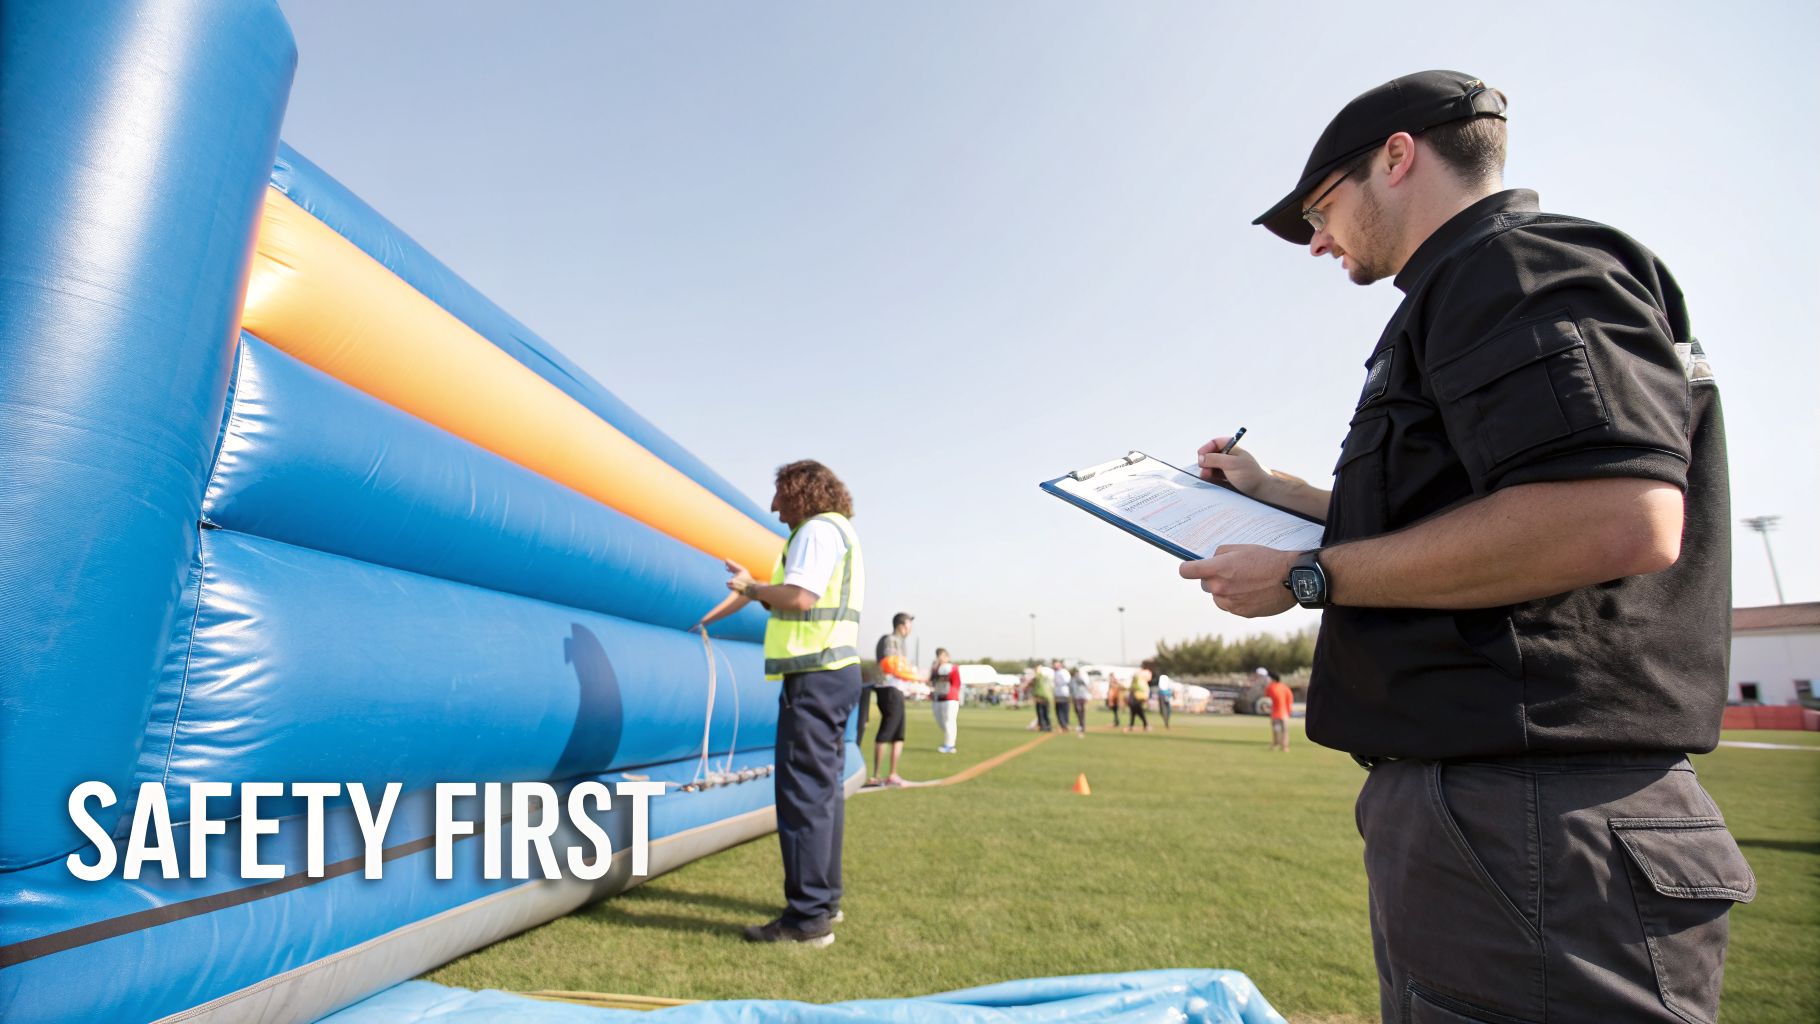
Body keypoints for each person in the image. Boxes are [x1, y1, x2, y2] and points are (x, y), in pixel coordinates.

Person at [1180, 71, 1749, 1021]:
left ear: (1398, 158)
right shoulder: (1471, 287)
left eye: (1321, 208)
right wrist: (1279, 495)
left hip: (1534, 813)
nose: (1317, 240)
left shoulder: (1514, 266)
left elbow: (1614, 515)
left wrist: (1309, 575)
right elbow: (1476, 513)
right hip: (1500, 811)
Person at [697, 459, 865, 947]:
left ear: (800, 493)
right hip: (835, 673)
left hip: (814, 677)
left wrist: (751, 589)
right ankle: (823, 903)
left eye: (779, 496)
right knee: (822, 792)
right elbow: (793, 596)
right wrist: (758, 588)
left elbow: (800, 597)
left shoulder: (815, 532)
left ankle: (807, 918)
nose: (773, 508)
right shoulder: (838, 531)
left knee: (803, 796)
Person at [871, 612, 919, 786]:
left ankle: (892, 774)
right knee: (886, 731)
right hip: (888, 688)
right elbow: (891, 666)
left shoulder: (902, 643)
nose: (910, 628)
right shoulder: (890, 640)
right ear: (901, 624)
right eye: (908, 623)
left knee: (898, 734)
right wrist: (914, 676)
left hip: (898, 690)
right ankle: (876, 776)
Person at [929, 648, 962, 753]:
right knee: (941, 722)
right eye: (938, 655)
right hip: (938, 699)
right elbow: (931, 681)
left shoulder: (952, 668)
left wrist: (953, 693)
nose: (940, 658)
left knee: (949, 722)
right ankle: (950, 739)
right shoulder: (935, 668)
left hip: (950, 699)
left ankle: (950, 745)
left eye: (942, 655)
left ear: (947, 657)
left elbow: (957, 683)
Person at [1263, 669, 1294, 752]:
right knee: (1285, 731)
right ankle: (1285, 747)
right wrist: (1289, 711)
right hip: (1284, 714)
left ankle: (1275, 745)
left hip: (1275, 714)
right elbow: (1290, 699)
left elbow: (1266, 699)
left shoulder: (1270, 687)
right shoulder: (1285, 687)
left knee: (1276, 730)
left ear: (1272, 678)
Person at [1123, 665, 1150, 733]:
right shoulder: (1135, 683)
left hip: (1137, 700)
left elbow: (1141, 690)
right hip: (1134, 701)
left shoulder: (1139, 683)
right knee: (1134, 714)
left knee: (1139, 713)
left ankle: (1145, 725)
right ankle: (1135, 726)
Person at [1030, 662, 1054, 732]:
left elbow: (1033, 682)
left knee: (1041, 712)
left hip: (1041, 696)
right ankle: (1047, 726)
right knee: (1045, 712)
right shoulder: (1047, 677)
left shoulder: (1039, 676)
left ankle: (1043, 726)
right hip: (1047, 696)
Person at [1149, 661, 1174, 729]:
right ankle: (1166, 721)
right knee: (1165, 709)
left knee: (1164, 709)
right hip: (1165, 694)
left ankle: (1166, 722)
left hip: (1163, 694)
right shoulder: (1163, 677)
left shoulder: (1162, 677)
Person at [1051, 660, 1073, 731]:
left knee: (1062, 710)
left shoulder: (1062, 672)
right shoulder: (1055, 673)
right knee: (1061, 709)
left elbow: (1067, 681)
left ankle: (1064, 724)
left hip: (1063, 693)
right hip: (1059, 693)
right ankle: (1064, 724)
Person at [1069, 668, 1090, 736]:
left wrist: (1086, 697)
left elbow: (1085, 688)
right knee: (1078, 711)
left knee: (1081, 711)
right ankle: (1080, 724)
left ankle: (1082, 726)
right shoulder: (1072, 680)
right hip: (1076, 698)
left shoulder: (1081, 679)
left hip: (1081, 697)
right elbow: (1071, 689)